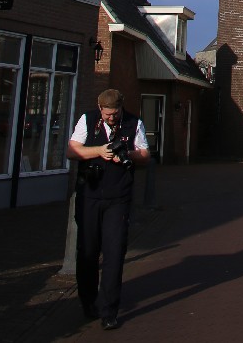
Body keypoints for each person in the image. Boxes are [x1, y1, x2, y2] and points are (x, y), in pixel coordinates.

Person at [68, 88, 150, 330]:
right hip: (90, 195)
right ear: (100, 108)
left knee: (114, 253)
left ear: (121, 108)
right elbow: (72, 150)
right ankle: (88, 302)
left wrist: (128, 154)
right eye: (107, 114)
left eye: (114, 114)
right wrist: (98, 151)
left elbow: (145, 154)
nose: (111, 118)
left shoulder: (134, 123)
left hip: (118, 197)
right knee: (88, 252)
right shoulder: (87, 120)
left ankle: (109, 310)